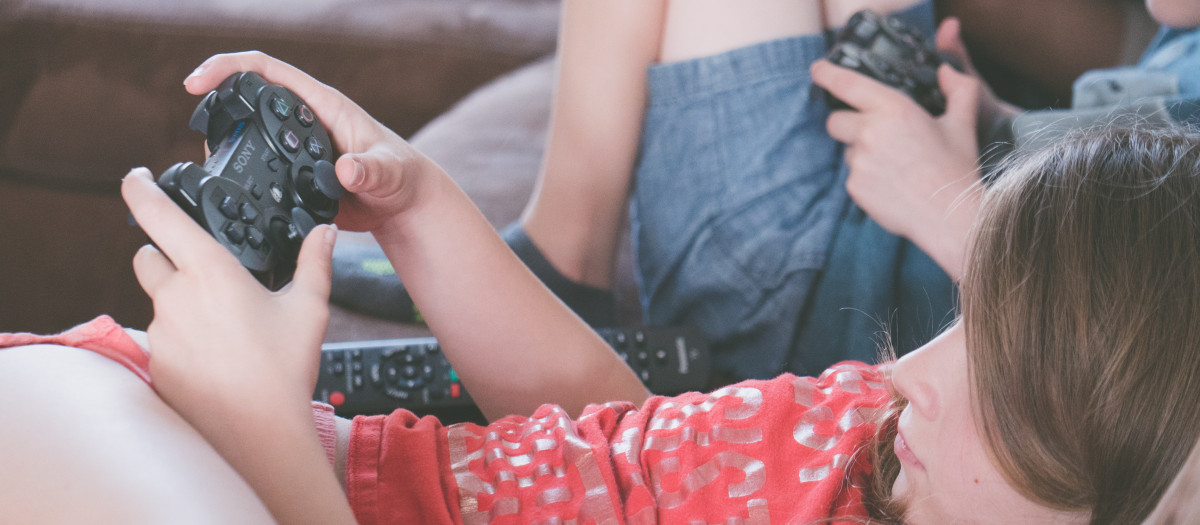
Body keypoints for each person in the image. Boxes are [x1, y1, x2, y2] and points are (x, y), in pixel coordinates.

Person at [3, 51, 1200, 523]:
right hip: (179, 434)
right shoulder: (880, 443)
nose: (910, 372)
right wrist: (424, 206)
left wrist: (260, 426)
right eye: (963, 319)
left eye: (1000, 385)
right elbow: (604, 440)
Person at [333, 0, 1159, 383]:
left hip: (837, 316)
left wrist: (946, 199)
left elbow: (1148, 344)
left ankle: (560, 256)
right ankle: (557, 257)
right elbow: (1124, 157)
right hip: (921, 191)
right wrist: (989, 114)